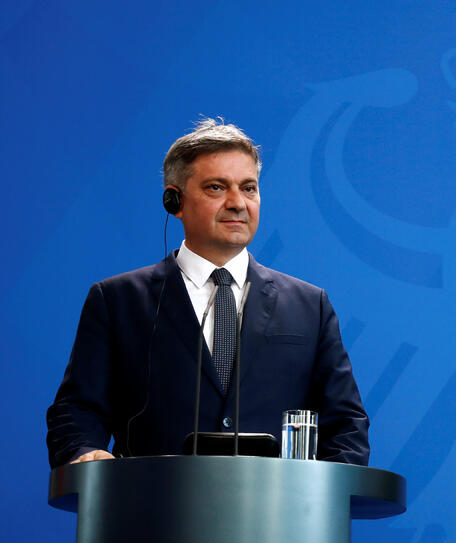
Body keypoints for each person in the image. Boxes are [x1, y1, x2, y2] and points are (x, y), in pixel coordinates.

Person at [46, 119, 369, 468]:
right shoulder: (116, 301)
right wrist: (84, 452)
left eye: (248, 188)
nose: (237, 203)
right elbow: (77, 411)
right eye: (217, 188)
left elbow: (347, 425)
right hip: (152, 511)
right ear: (175, 201)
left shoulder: (310, 305)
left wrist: (329, 492)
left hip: (279, 517)